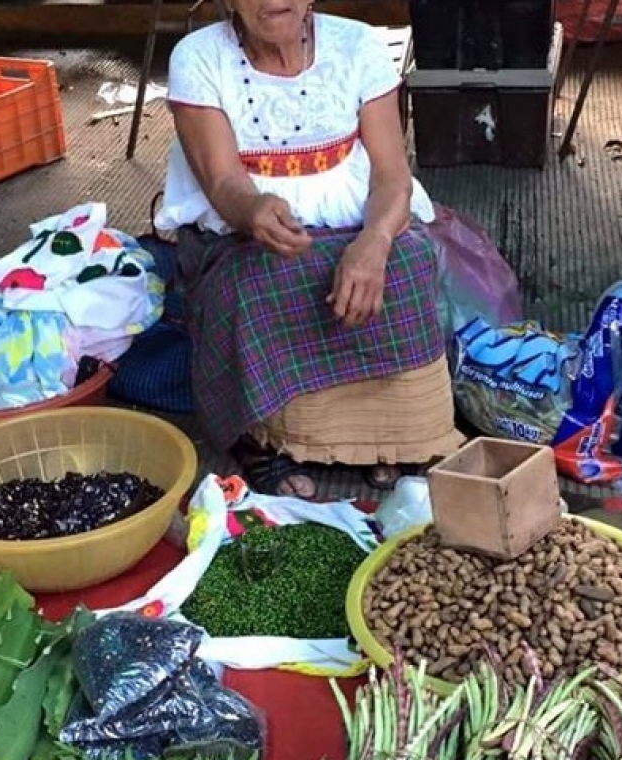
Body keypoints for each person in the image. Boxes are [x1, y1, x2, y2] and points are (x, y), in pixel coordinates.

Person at [154, 0, 465, 498]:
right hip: (244, 228)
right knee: (252, 283)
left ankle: (388, 440)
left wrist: (374, 243)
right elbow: (221, 178)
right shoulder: (198, 57)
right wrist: (251, 211)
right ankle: (267, 444)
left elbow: (391, 175)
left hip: (355, 212)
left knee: (408, 264)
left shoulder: (358, 45)